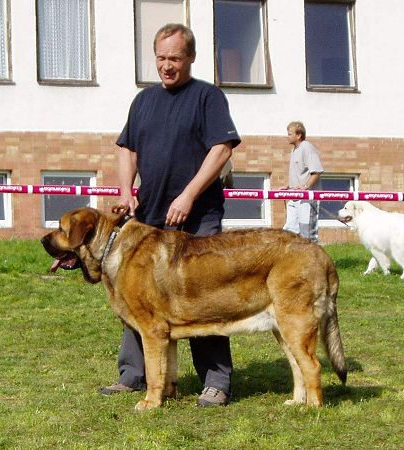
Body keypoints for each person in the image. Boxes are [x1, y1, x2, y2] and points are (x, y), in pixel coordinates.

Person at [98, 23, 241, 407]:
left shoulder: (207, 97)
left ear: (190, 57)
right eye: (161, 58)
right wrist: (127, 193)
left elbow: (222, 149)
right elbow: (127, 150)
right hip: (147, 220)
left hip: (196, 219)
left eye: (174, 58)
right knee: (134, 296)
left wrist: (189, 195)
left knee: (203, 297)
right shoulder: (143, 101)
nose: (166, 66)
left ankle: (216, 381)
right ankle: (134, 375)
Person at [280, 121, 324, 243]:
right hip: (294, 196)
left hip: (307, 198)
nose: (287, 136)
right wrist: (288, 187)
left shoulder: (307, 148)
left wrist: (306, 186)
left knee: (307, 233)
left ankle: (314, 260)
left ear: (298, 135)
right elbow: (300, 174)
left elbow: (316, 172)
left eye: (289, 134)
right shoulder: (294, 150)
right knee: (289, 231)